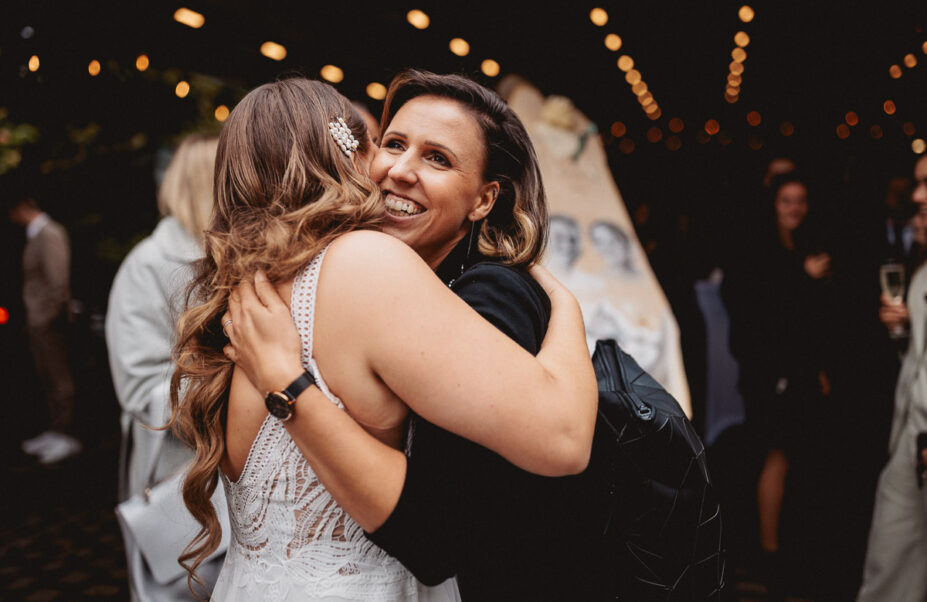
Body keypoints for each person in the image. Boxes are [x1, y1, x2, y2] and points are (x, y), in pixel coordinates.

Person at [169, 76, 597, 601]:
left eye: (437, 158)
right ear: (346, 156)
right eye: (388, 144)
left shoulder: (246, 290)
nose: (396, 169)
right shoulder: (365, 264)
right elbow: (564, 438)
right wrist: (568, 308)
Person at [105, 134, 225, 601]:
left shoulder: (248, 254)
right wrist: (244, 385)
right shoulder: (147, 265)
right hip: (182, 476)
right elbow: (140, 388)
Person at [724, 172, 832, 597]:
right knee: (775, 455)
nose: (795, 209)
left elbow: (810, 323)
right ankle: (767, 555)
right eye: (787, 200)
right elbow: (763, 315)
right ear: (774, 204)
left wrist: (818, 369)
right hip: (769, 373)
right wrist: (801, 275)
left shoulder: (801, 246)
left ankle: (778, 550)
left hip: (797, 373)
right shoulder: (764, 249)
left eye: (801, 201)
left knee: (790, 456)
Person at [858, 153, 927, 601]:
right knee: (891, 556)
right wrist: (902, 331)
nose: (917, 195)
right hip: (911, 437)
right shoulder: (921, 275)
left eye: (926, 184)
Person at [9, 194, 82, 464]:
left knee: (59, 376)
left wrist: (50, 317)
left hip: (49, 320)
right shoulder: (37, 234)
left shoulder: (49, 233)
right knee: (47, 375)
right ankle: (56, 430)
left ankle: (66, 433)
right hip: (39, 320)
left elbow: (57, 279)